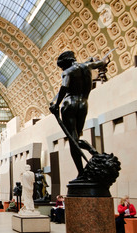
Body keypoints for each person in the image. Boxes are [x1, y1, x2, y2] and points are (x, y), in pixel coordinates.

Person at [50, 51, 107, 180]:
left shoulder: (68, 72)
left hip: (69, 104)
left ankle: (81, 172)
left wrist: (56, 105)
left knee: (73, 140)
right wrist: (95, 60)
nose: (63, 69)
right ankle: (91, 150)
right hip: (83, 105)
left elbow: (64, 87)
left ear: (66, 63)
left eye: (62, 67)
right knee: (76, 136)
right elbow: (102, 63)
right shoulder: (87, 66)